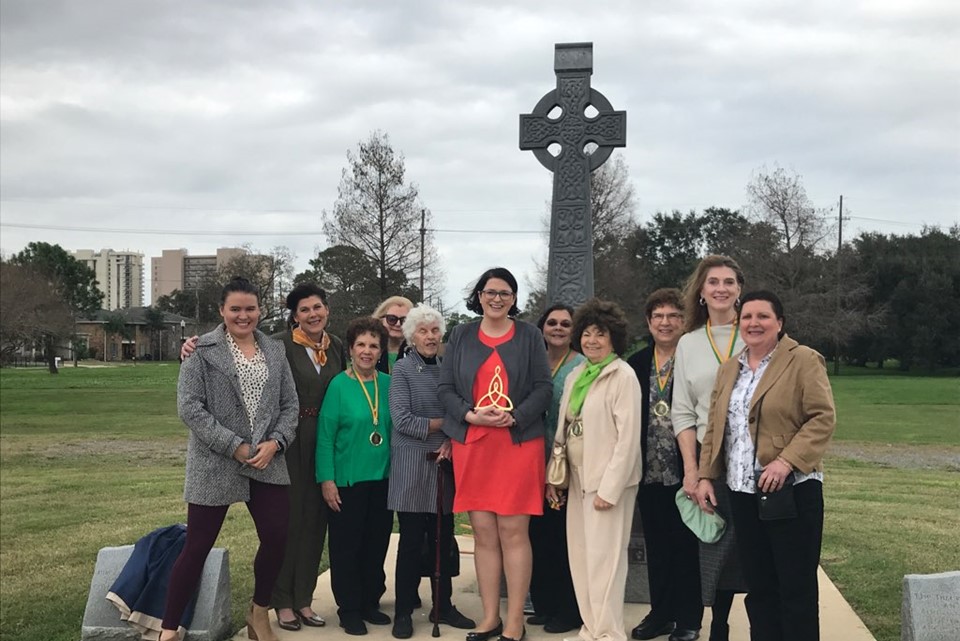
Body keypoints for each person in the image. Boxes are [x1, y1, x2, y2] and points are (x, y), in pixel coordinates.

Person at [159, 277, 298, 641]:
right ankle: (168, 629)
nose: (243, 315)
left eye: (250, 308)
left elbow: (290, 405)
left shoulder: (275, 351)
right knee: (197, 546)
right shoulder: (201, 351)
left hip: (267, 460)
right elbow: (189, 408)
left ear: (260, 310)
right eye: (235, 308)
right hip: (215, 461)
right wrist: (233, 445)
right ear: (221, 310)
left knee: (277, 535)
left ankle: (258, 610)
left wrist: (277, 442)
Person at [695, 291, 835, 641]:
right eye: (747, 317)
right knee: (759, 586)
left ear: (780, 323)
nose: (754, 323)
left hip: (792, 491)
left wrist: (786, 461)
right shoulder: (730, 369)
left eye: (763, 317)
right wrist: (705, 476)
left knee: (795, 587)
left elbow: (822, 417)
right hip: (743, 493)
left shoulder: (802, 360)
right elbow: (715, 427)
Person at [438, 267, 552, 641]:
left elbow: (542, 388)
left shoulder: (530, 336)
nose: (497, 298)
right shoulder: (461, 335)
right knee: (484, 533)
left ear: (514, 298)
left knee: (513, 532)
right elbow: (446, 388)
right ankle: (490, 618)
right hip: (474, 442)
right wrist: (470, 414)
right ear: (480, 296)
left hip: (517, 444)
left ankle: (515, 621)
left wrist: (515, 416)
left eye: (505, 293)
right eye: (490, 292)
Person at [545, 298, 642, 641]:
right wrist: (555, 477)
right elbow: (564, 429)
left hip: (606, 484)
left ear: (614, 337)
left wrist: (609, 489)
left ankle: (608, 631)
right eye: (586, 334)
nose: (592, 341)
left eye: (600, 334)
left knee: (607, 563)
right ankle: (592, 626)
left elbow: (628, 440)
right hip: (577, 479)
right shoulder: (577, 375)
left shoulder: (622, 376)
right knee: (582, 559)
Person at [671, 255, 749, 641]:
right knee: (716, 542)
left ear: (739, 289)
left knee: (752, 543)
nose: (721, 288)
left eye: (729, 282)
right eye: (713, 282)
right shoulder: (688, 343)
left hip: (753, 454)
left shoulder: (756, 332)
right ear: (701, 292)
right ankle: (718, 625)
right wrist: (693, 469)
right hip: (710, 454)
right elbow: (682, 412)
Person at [388, 303, 476, 639]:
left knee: (443, 537)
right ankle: (403, 611)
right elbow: (403, 420)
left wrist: (451, 439)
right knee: (411, 539)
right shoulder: (403, 370)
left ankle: (444, 604)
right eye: (423, 331)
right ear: (411, 335)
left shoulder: (448, 368)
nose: (429, 336)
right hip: (412, 466)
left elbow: (461, 409)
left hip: (444, 463)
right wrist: (446, 425)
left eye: (435, 330)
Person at [271, 284, 346, 631]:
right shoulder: (278, 345)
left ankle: (304, 599)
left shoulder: (337, 348)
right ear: (295, 316)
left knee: (317, 524)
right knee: (291, 522)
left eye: (318, 307)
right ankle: (282, 601)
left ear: (327, 309)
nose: (313, 314)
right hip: (291, 440)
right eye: (304, 310)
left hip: (328, 442)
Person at [627, 289, 701, 641]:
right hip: (649, 471)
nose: (665, 322)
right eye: (658, 316)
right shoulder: (637, 364)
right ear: (648, 322)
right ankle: (661, 614)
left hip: (687, 469)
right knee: (657, 547)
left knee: (686, 546)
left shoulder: (694, 360)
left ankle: (689, 618)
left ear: (684, 322)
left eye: (673, 315)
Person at [316, 316, 393, 636]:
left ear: (380, 351)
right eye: (361, 344)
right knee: (347, 547)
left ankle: (369, 602)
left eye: (373, 345)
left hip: (384, 479)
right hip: (347, 480)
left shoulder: (388, 384)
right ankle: (349, 608)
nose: (367, 351)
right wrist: (327, 480)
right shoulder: (338, 385)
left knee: (376, 544)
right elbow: (325, 436)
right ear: (350, 349)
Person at [527, 303, 583, 634]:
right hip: (531, 462)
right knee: (538, 535)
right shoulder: (534, 363)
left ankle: (568, 608)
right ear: (542, 327)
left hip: (566, 466)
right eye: (552, 323)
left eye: (565, 323)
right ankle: (544, 603)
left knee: (564, 537)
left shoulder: (580, 366)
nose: (558, 328)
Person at [374, 296, 414, 374]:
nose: (398, 324)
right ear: (381, 319)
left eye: (404, 320)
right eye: (392, 319)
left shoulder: (418, 354)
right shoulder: (370, 351)